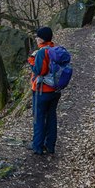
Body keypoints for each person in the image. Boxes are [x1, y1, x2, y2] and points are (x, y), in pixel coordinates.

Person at [27, 26, 61, 155]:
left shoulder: (41, 52)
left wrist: (31, 62)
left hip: (42, 91)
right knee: (51, 117)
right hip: (55, 91)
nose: (36, 39)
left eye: (37, 37)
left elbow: (40, 71)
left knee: (39, 118)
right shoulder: (54, 49)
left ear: (41, 39)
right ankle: (50, 146)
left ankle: (37, 146)